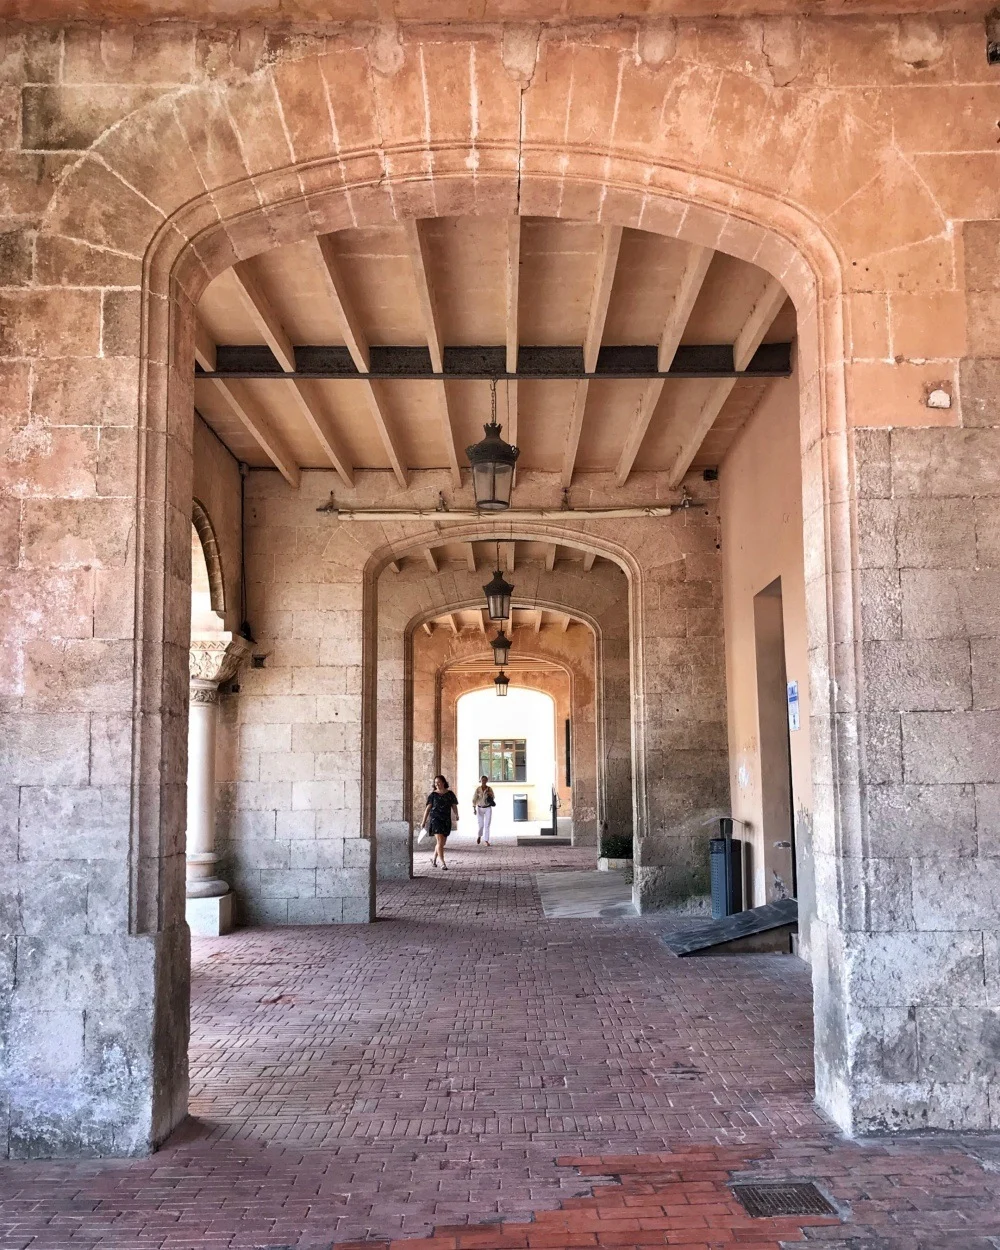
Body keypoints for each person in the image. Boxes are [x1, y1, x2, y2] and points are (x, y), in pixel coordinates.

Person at [420, 774, 459, 870]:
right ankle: (442, 863)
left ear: (444, 782)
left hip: (446, 819)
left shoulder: (450, 794)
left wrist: (456, 814)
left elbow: (454, 805)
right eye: (435, 782)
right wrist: (423, 821)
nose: (437, 784)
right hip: (435, 819)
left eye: (439, 782)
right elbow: (428, 809)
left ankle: (434, 859)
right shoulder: (433, 795)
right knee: (440, 841)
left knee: (442, 843)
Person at [472, 775, 495, 846]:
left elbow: (493, 797)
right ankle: (479, 836)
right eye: (482, 780)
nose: (484, 781)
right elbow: (474, 799)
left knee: (487, 825)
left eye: (485, 780)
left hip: (488, 808)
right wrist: (474, 808)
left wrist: (490, 794)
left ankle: (486, 840)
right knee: (481, 825)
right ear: (480, 780)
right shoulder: (478, 789)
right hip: (479, 808)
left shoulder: (489, 789)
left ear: (487, 781)